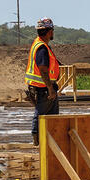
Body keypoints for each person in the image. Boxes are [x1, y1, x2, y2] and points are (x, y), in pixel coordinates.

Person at [24, 18, 61, 146]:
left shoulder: (39, 44)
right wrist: (50, 88)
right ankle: (38, 140)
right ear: (49, 31)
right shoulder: (42, 48)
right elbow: (43, 69)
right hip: (44, 88)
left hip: (41, 87)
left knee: (49, 116)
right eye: (52, 30)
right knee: (43, 114)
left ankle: (46, 141)